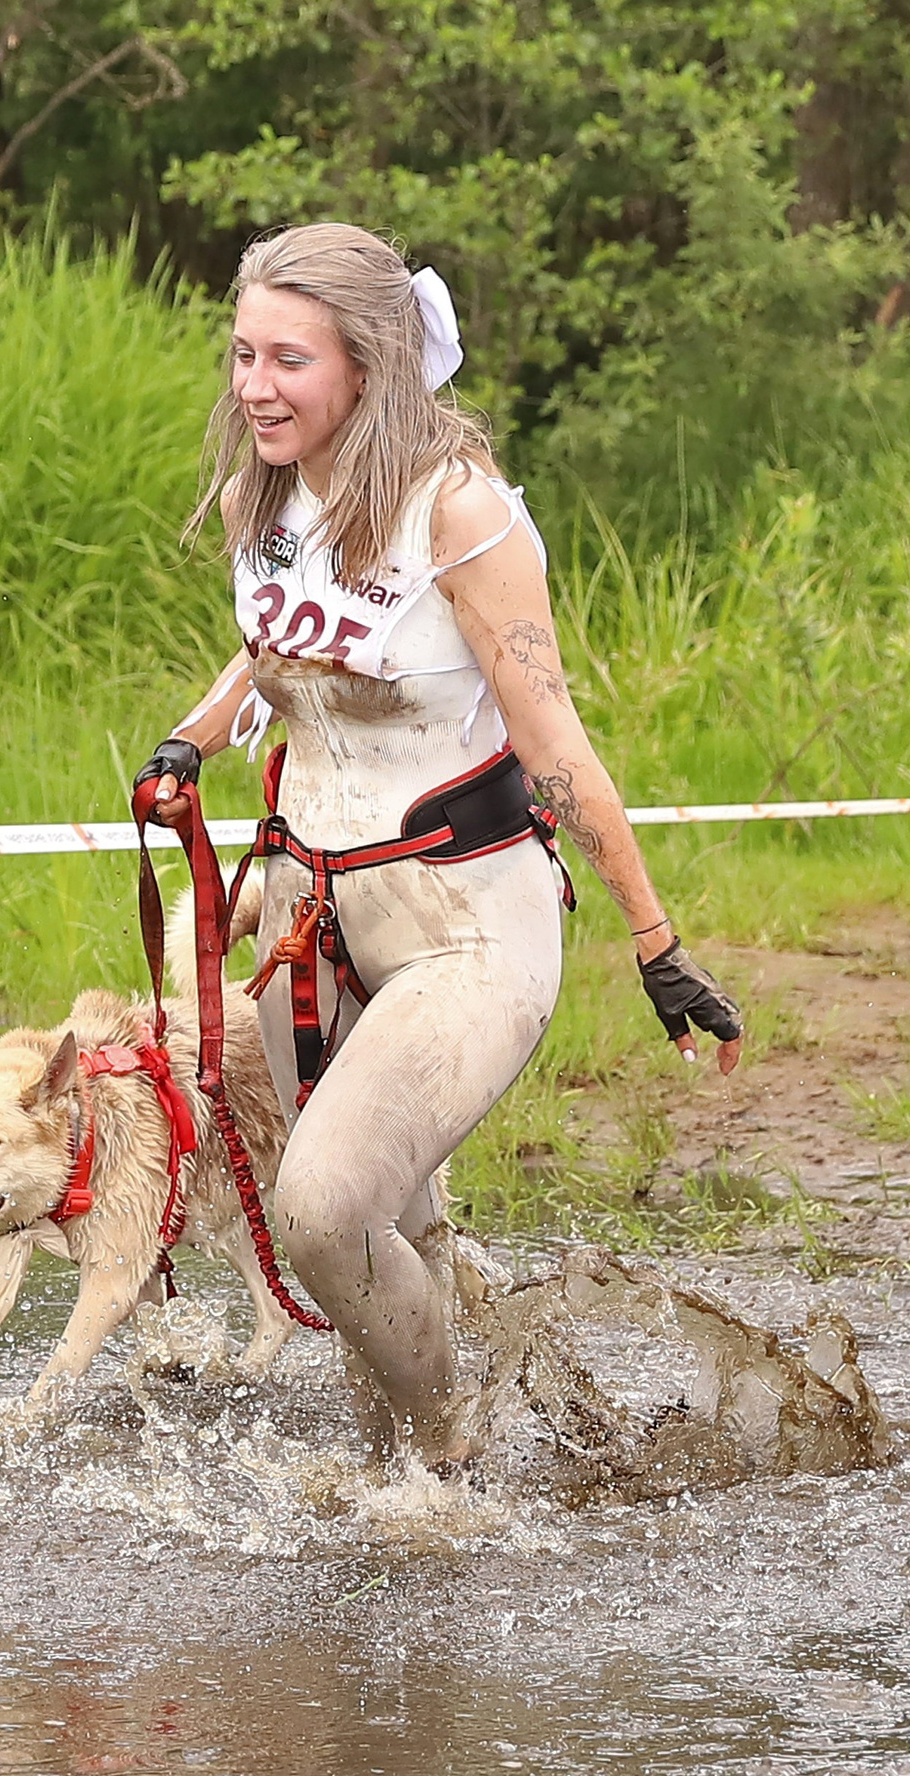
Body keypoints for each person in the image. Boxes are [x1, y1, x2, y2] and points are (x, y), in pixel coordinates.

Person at [130, 222, 744, 1468]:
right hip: (312, 919)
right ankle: (420, 1480)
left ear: (366, 362)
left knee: (318, 1210)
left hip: (464, 925)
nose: (254, 386)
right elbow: (277, 642)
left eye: (287, 360)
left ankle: (447, 1460)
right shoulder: (274, 489)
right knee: (381, 1237)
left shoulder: (458, 510)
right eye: (242, 355)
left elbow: (553, 733)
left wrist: (653, 938)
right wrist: (191, 741)